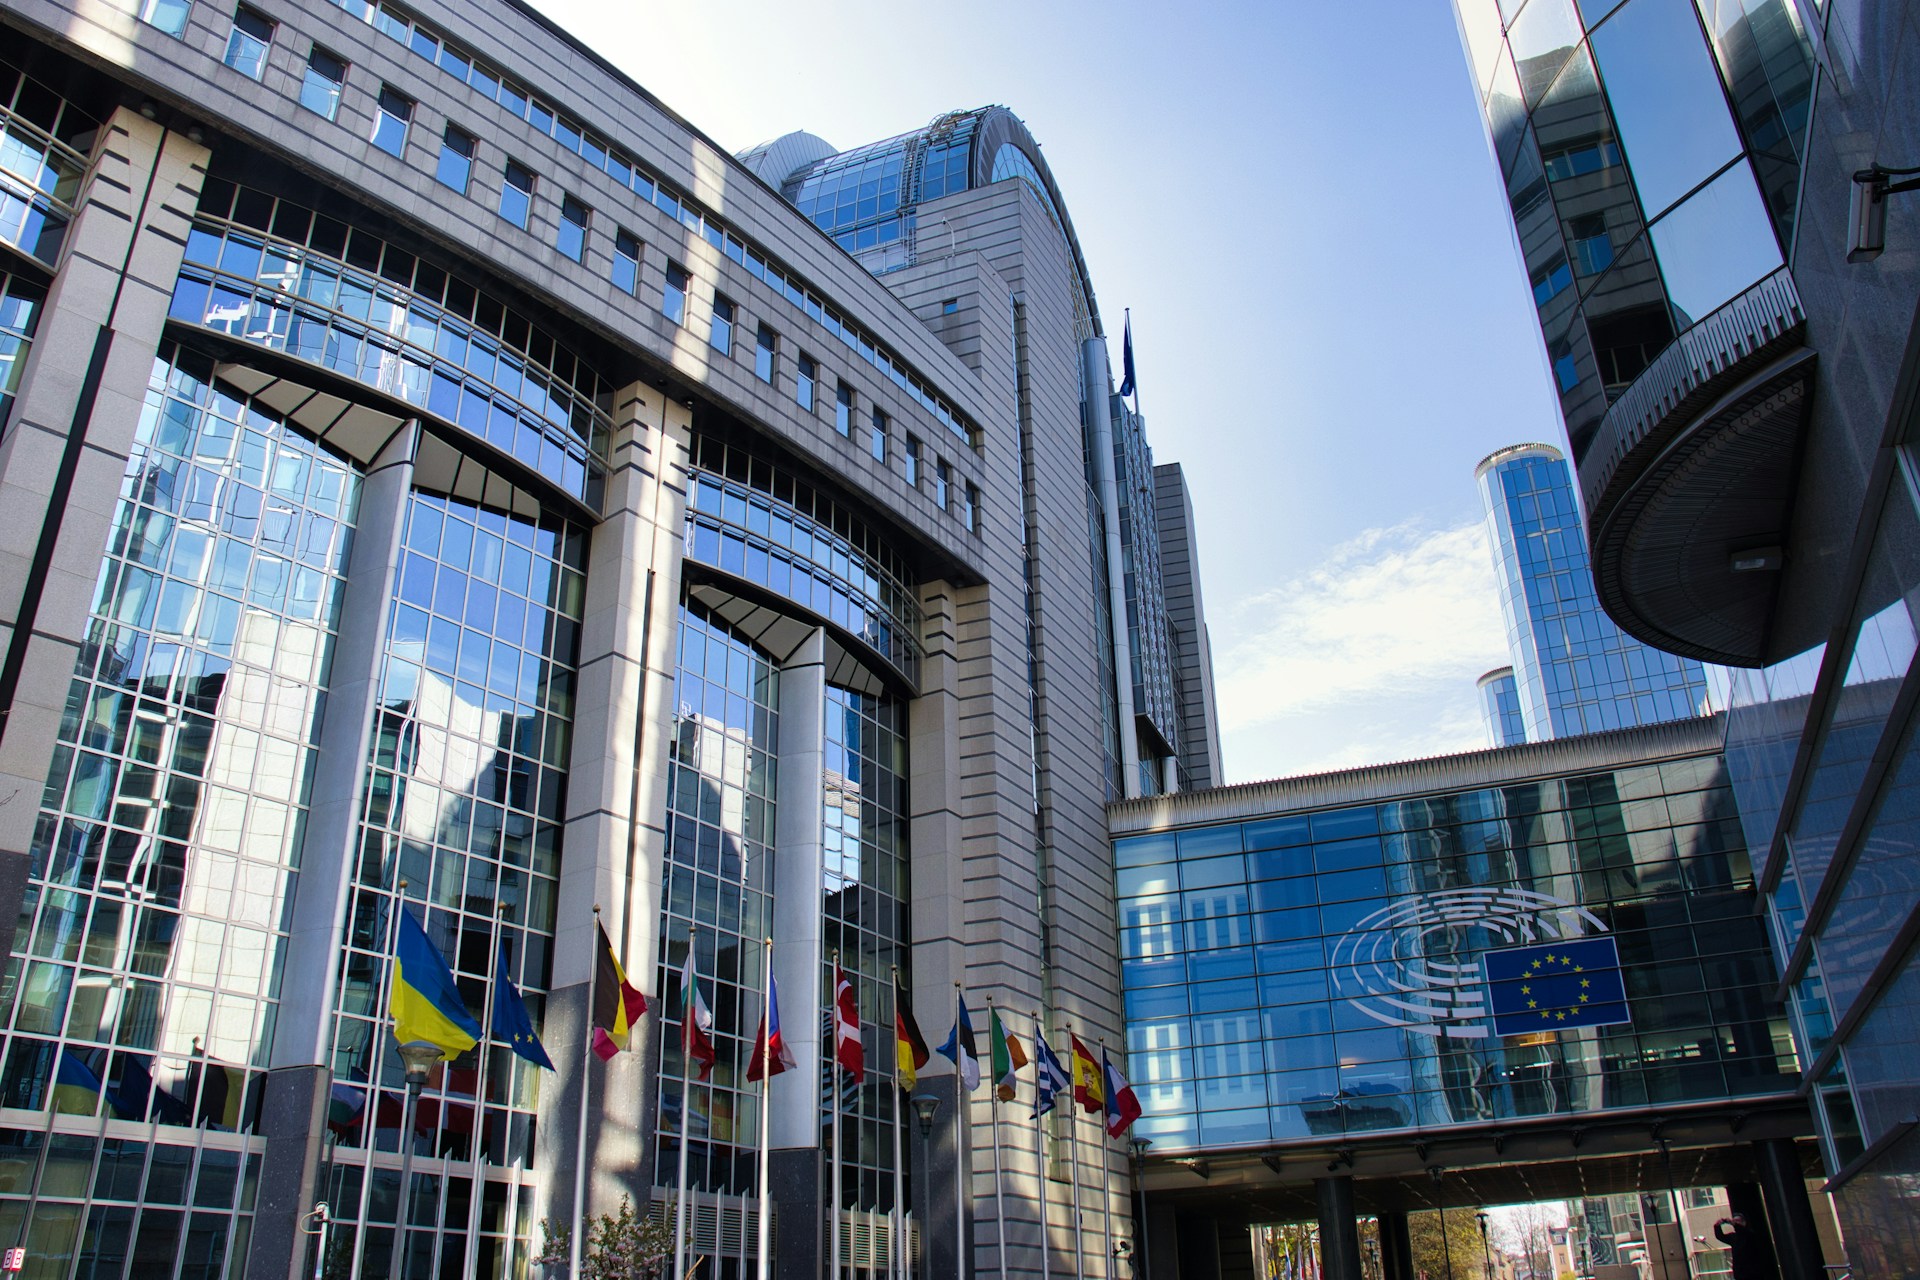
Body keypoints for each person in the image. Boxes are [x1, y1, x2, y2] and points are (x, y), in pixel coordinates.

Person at [1714, 1213, 1765, 1280]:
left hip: (1753, 1272)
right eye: (1734, 1220)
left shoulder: (1750, 1234)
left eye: (1738, 1220)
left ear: (1744, 1222)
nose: (1735, 1223)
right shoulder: (1734, 1237)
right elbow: (1721, 1236)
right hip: (1740, 1273)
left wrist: (1734, 1224)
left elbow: (1743, 1232)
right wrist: (1717, 1226)